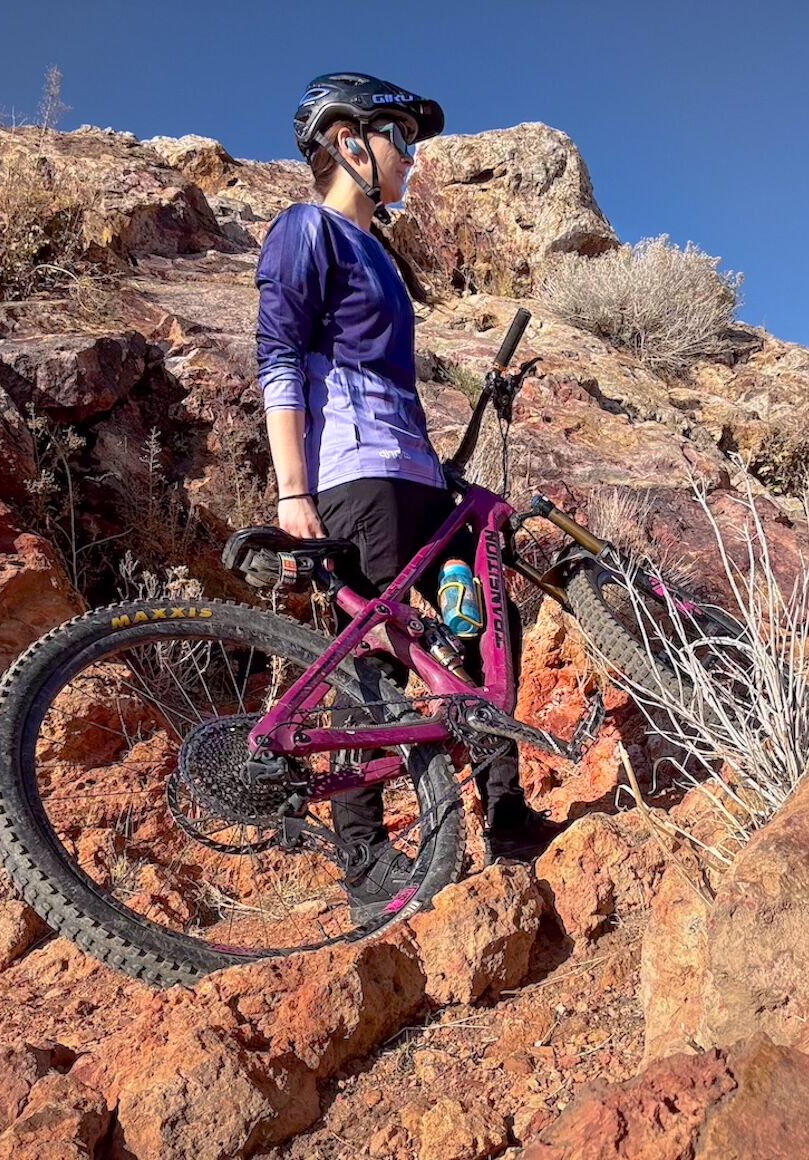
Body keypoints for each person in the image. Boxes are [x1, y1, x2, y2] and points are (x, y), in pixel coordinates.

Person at [254, 73, 562, 911]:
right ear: (351, 142)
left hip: (414, 473)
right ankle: (363, 861)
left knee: (483, 620)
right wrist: (293, 491)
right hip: (356, 473)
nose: (412, 159)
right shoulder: (305, 230)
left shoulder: (377, 255)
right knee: (378, 663)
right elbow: (278, 360)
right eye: (401, 139)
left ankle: (504, 811)